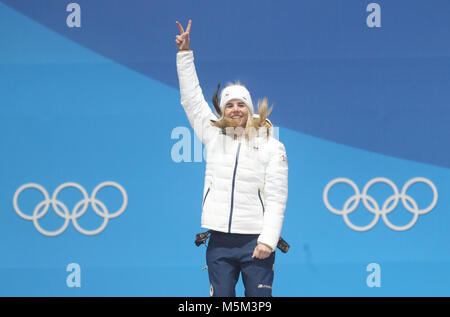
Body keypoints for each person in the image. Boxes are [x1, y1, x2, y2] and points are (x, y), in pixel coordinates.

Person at [175, 19, 288, 297]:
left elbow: (276, 198)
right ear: (222, 111)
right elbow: (191, 99)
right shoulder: (213, 136)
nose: (235, 109)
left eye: (241, 104)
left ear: (250, 109)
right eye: (229, 105)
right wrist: (185, 54)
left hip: (256, 242)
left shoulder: (273, 147)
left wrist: (268, 240)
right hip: (220, 243)